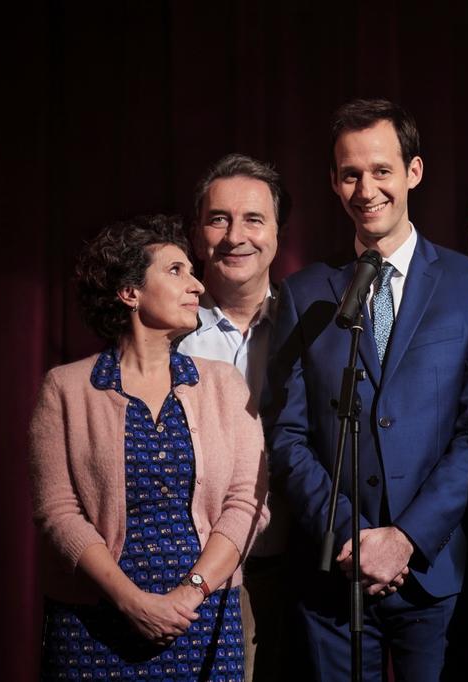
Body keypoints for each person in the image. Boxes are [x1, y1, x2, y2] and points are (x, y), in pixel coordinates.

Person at [264, 98, 468, 681]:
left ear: (413, 172)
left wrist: (406, 538)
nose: (366, 189)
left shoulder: (467, 283)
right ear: (333, 181)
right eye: (350, 174)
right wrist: (353, 536)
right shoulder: (304, 293)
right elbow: (288, 434)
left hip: (433, 573)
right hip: (335, 579)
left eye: (381, 171)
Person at [29, 215, 269, 680]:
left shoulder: (224, 385)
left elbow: (248, 503)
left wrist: (191, 592)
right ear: (130, 292)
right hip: (94, 626)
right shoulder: (65, 389)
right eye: (176, 271)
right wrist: (130, 601)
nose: (197, 285)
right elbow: (57, 511)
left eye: (192, 272)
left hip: (200, 619)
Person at [177, 154, 291, 682]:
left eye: (253, 219)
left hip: (300, 568)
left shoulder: (314, 325)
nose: (235, 236)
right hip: (198, 573)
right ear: (197, 235)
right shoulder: (165, 335)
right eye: (218, 219)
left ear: (278, 233)